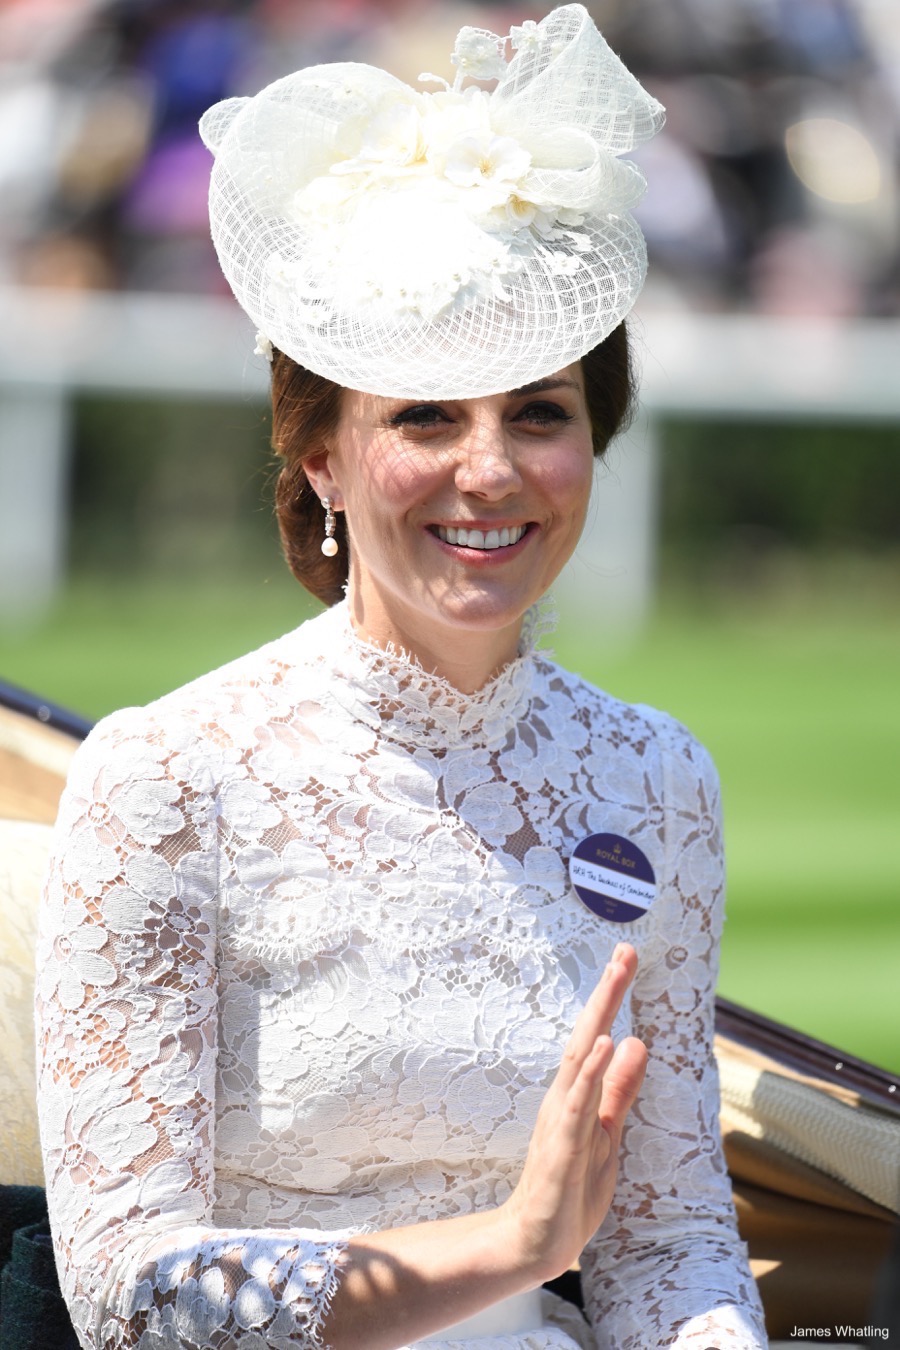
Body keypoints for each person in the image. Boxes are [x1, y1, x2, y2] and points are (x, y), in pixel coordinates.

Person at [35, 6, 768, 1348]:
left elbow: (671, 1238)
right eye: (426, 413)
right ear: (319, 456)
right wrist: (516, 1245)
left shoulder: (658, 776)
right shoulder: (169, 775)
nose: (488, 470)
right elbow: (130, 1295)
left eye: (537, 411)